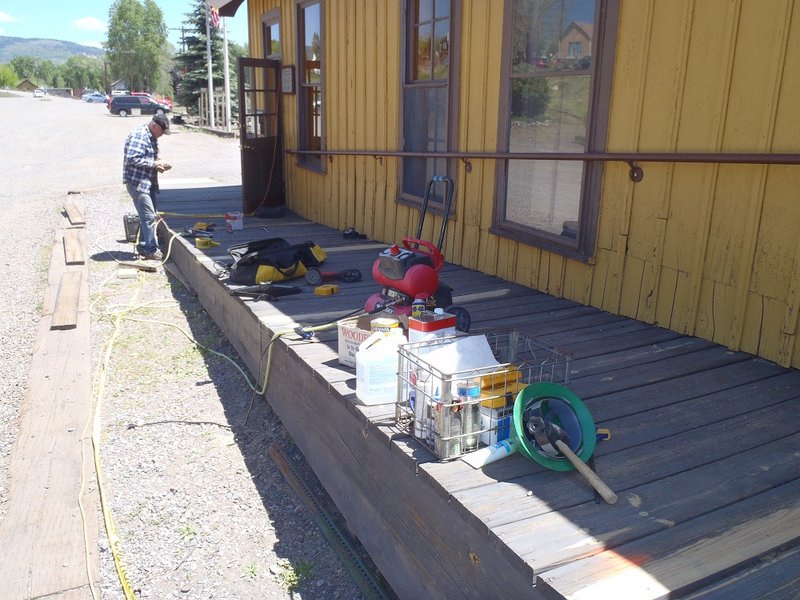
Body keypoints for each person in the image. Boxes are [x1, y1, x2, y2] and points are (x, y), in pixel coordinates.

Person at [123, 114, 172, 260]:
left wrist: (160, 163)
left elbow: (148, 157)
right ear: (155, 126)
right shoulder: (139, 136)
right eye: (162, 131)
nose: (162, 135)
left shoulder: (151, 137)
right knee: (149, 216)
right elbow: (132, 158)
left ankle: (144, 245)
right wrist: (154, 164)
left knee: (149, 216)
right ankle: (150, 250)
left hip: (147, 182)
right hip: (138, 183)